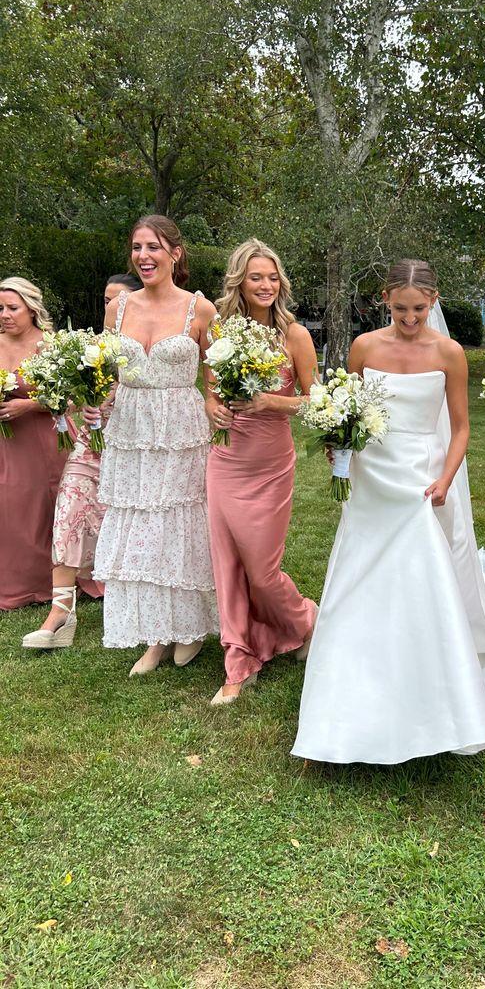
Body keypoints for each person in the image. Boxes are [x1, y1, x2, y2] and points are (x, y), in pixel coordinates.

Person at [292, 259, 485, 764]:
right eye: (400, 308)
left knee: (418, 576)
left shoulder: (450, 352)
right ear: (385, 299)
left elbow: (460, 429)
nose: (410, 318)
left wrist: (446, 477)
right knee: (358, 574)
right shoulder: (365, 347)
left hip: (420, 478)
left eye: (419, 308)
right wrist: (337, 443)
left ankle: (427, 691)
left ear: (433, 301)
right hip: (372, 475)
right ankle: (338, 709)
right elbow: (348, 408)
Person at [89, 216, 220, 676]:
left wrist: (214, 406)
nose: (143, 256)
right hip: (129, 427)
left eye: (154, 247)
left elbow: (217, 375)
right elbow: (105, 372)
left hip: (180, 430)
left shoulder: (200, 310)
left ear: (175, 253)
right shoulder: (117, 309)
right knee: (139, 524)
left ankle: (187, 629)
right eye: (137, 247)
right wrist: (93, 398)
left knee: (178, 523)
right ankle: (154, 635)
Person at [205, 239, 319, 706]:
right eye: (257, 277)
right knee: (227, 566)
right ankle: (238, 661)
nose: (267, 285)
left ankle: (306, 622)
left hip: (271, 463)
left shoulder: (296, 336)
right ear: (240, 282)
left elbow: (316, 403)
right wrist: (212, 407)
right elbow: (211, 390)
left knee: (262, 571)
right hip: (226, 460)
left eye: (273, 277)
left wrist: (270, 400)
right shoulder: (220, 333)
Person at [22, 274, 144, 649]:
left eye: (117, 299)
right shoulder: (92, 348)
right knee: (68, 512)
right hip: (89, 448)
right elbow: (74, 397)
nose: (109, 306)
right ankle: (61, 613)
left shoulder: (145, 347)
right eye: (106, 299)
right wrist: (73, 402)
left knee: (131, 528)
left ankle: (139, 605)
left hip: (134, 454)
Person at [0, 278, 68, 610]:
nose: (5, 315)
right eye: (0, 308)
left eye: (12, 308)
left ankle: (50, 581)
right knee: (10, 507)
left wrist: (27, 404)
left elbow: (67, 397)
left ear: (31, 309)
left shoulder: (48, 345)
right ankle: (16, 580)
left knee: (42, 506)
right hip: (6, 443)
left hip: (43, 439)